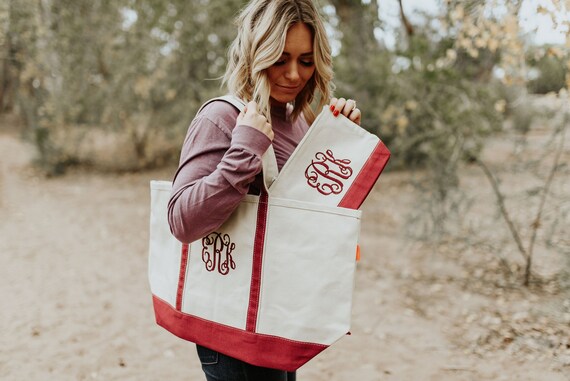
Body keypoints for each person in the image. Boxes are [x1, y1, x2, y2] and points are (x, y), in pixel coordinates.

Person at [167, 0, 361, 380]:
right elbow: (180, 220)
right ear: (255, 54)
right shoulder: (220, 117)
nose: (293, 74)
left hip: (280, 314)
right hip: (234, 325)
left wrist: (340, 145)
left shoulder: (295, 120)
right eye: (279, 59)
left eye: (306, 61)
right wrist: (245, 148)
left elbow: (309, 215)